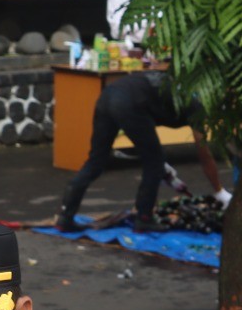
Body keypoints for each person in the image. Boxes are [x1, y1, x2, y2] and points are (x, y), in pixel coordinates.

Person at [55, 69, 229, 234]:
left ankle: (65, 217)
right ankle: (144, 219)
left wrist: (161, 164)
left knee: (96, 161)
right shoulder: (196, 105)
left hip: (108, 96)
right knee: (154, 162)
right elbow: (204, 153)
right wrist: (219, 191)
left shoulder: (174, 85)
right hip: (129, 103)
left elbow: (140, 129)